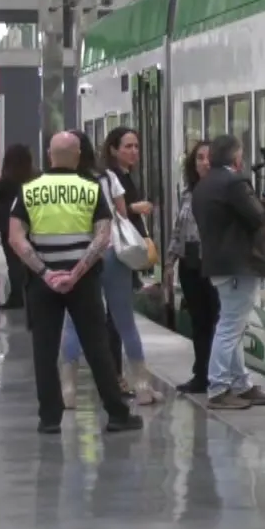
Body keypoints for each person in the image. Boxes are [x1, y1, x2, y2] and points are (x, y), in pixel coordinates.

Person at [7, 131, 142, 436]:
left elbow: (16, 237)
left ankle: (49, 418)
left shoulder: (29, 190)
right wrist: (76, 272)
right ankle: (117, 414)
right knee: (97, 348)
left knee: (44, 349)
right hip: (83, 283)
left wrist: (45, 273)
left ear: (48, 154)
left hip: (42, 284)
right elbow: (103, 236)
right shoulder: (91, 188)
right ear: (78, 155)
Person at [59, 127, 156, 406]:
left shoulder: (59, 183)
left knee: (73, 324)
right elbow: (122, 215)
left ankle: (68, 391)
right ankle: (142, 387)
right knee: (125, 320)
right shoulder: (107, 177)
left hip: (78, 257)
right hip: (112, 253)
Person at [192, 134, 265, 411]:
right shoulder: (234, 182)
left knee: (233, 325)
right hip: (239, 265)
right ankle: (218, 388)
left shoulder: (203, 186)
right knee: (230, 327)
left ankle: (241, 384)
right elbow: (258, 217)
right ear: (236, 158)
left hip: (219, 265)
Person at [167, 140, 219, 394]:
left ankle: (217, 374)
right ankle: (201, 374)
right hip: (190, 264)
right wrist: (170, 262)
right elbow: (179, 229)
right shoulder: (189, 193)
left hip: (214, 263)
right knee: (200, 321)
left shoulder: (223, 189)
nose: (204, 162)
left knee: (218, 320)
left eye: (209, 157)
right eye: (199, 157)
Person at [0, 143, 36, 311]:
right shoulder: (35, 177)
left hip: (7, 223)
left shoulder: (6, 181)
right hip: (31, 221)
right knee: (31, 259)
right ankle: (32, 295)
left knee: (13, 261)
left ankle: (17, 296)